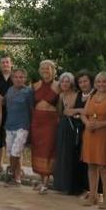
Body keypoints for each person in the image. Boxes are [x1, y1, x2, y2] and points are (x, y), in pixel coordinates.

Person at [81, 71, 106, 208]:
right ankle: (93, 196)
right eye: (99, 81)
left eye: (104, 81)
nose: (101, 84)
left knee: (103, 166)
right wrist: (86, 123)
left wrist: (99, 124)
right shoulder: (92, 96)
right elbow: (84, 114)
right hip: (90, 133)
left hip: (104, 133)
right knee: (91, 165)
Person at [52, 72, 86, 195]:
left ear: (71, 83)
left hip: (74, 128)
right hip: (62, 127)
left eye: (67, 81)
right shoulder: (60, 95)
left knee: (72, 155)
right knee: (62, 155)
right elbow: (61, 113)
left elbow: (82, 111)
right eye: (62, 81)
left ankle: (74, 186)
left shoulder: (77, 95)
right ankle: (63, 185)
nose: (65, 84)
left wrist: (72, 111)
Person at [31, 60, 60, 193]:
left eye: (47, 69)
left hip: (50, 121)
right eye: (42, 69)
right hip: (37, 121)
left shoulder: (58, 85)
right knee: (38, 149)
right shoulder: (36, 85)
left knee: (48, 150)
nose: (45, 71)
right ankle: (41, 178)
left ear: (53, 70)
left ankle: (46, 182)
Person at [3, 68, 34, 185]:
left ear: (25, 79)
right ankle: (16, 176)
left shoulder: (29, 92)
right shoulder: (10, 90)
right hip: (9, 125)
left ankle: (13, 173)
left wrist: (32, 127)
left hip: (22, 126)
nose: (18, 79)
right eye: (16, 77)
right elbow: (3, 102)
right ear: (12, 79)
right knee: (11, 152)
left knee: (16, 152)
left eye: (21, 77)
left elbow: (32, 109)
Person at [0, 55, 14, 176]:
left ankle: (12, 165)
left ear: (11, 64)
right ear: (0, 65)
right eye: (3, 62)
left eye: (7, 62)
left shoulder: (16, 76)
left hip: (13, 111)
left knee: (11, 138)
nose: (5, 64)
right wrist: (0, 98)